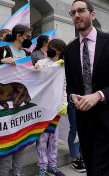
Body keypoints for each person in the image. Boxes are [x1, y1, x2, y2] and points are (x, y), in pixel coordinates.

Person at [64, 0, 109, 176]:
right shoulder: (70, 50)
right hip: (84, 122)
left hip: (107, 120)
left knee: (100, 172)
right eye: (73, 13)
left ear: (92, 14)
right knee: (91, 170)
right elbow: (71, 86)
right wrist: (72, 97)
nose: (77, 15)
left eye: (81, 10)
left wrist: (99, 95)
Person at [0, 24, 32, 176]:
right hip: (6, 104)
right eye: (27, 37)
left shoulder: (27, 53)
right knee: (7, 142)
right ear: (18, 36)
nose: (29, 40)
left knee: (21, 141)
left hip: (21, 103)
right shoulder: (3, 51)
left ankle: (17, 173)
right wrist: (1, 62)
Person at [34, 39, 66, 176]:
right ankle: (42, 166)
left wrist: (64, 103)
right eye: (50, 48)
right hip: (43, 107)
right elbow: (38, 71)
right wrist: (48, 67)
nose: (51, 51)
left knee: (54, 138)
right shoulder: (42, 62)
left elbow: (64, 87)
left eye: (55, 50)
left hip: (56, 108)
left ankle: (53, 165)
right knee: (42, 139)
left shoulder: (64, 66)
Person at [67, 103, 86, 172]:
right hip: (72, 100)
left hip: (84, 98)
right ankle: (75, 158)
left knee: (83, 127)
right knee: (75, 127)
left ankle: (81, 155)